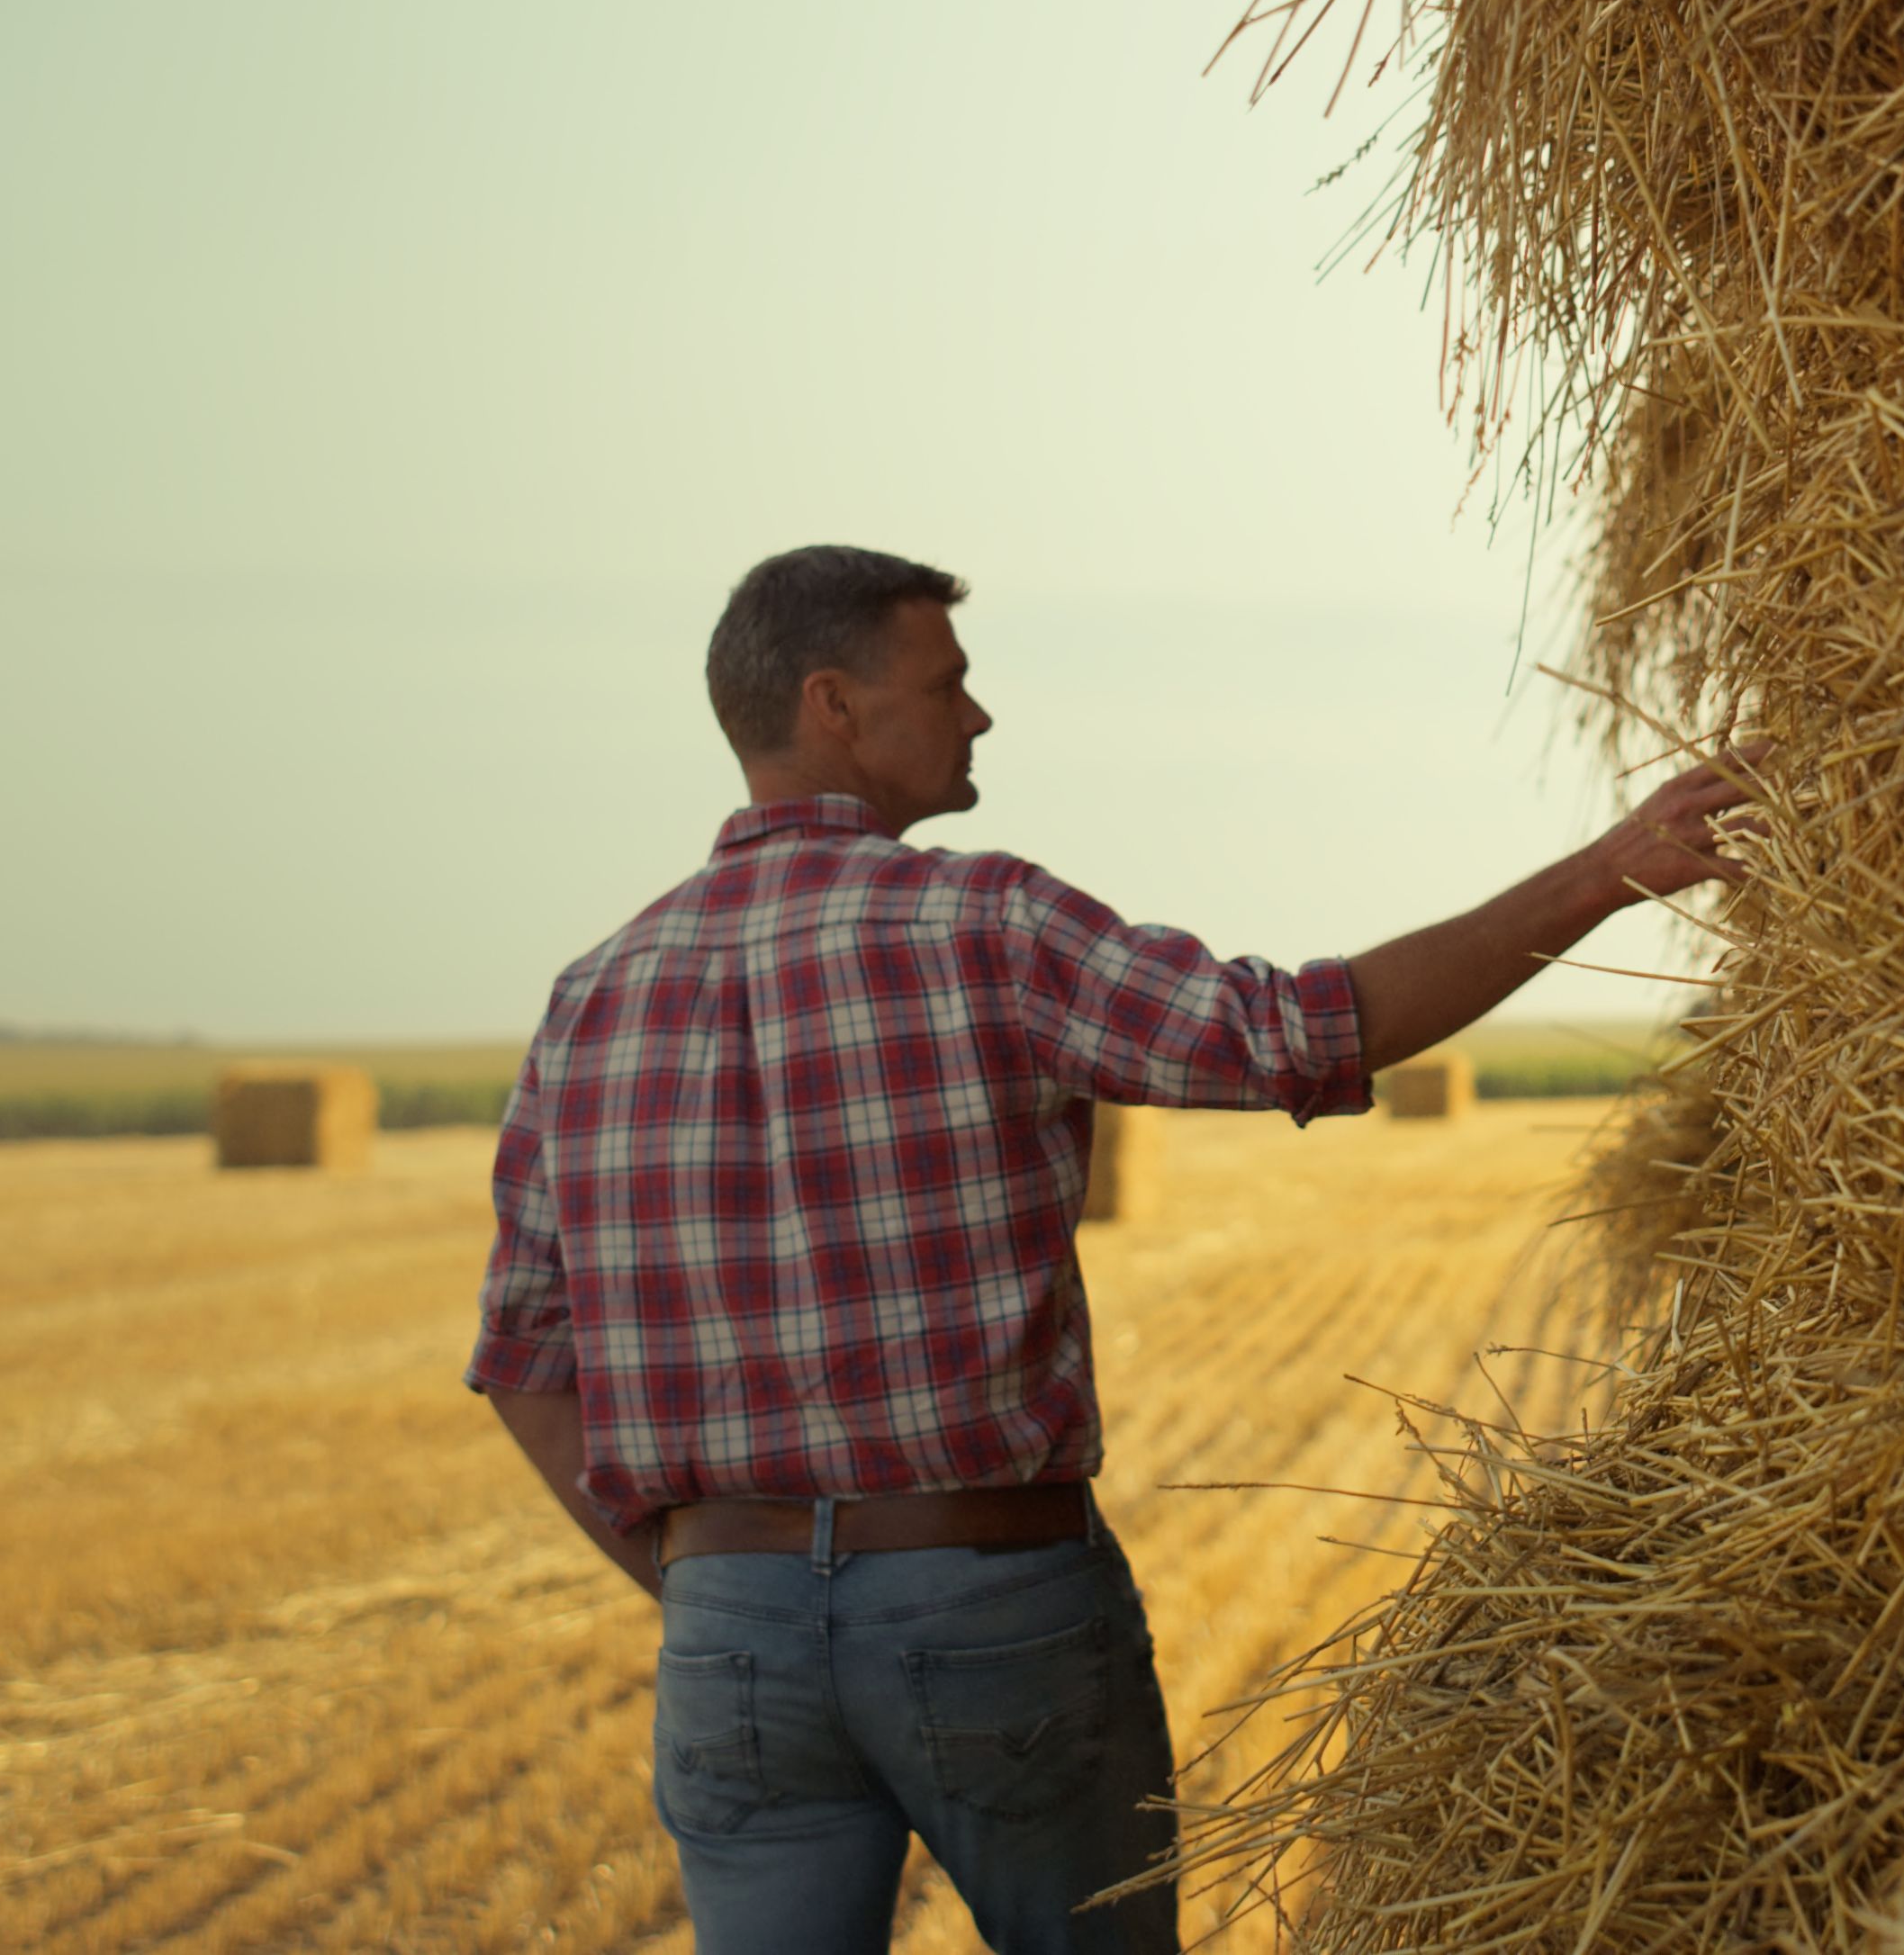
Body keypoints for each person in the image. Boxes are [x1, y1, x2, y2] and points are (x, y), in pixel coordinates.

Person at [467, 544, 1745, 1955]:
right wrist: (1605, 876)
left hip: (730, 1635)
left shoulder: (593, 998)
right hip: (985, 1599)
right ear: (833, 706)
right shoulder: (979, 924)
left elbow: (524, 1360)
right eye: (946, 682)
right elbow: (1300, 1033)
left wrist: (700, 1577)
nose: (979, 715)